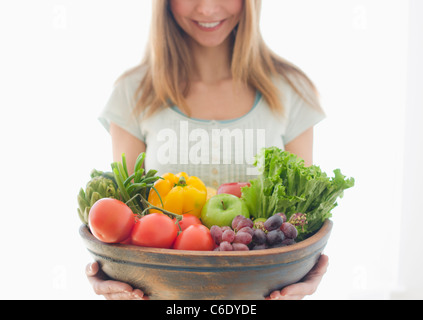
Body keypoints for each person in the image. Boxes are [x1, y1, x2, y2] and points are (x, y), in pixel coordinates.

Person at [86, 0, 329, 300]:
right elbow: (125, 217)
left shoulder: (292, 90)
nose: (208, 9)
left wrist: (309, 270)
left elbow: (300, 219)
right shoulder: (133, 92)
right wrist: (108, 269)